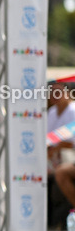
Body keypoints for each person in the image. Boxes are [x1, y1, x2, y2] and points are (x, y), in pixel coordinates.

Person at [48, 83, 75, 211]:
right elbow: (47, 139)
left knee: (61, 172)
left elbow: (71, 142)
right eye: (52, 92)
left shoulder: (73, 111)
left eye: (58, 92)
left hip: (69, 156)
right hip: (54, 157)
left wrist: (57, 148)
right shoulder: (51, 112)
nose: (55, 96)